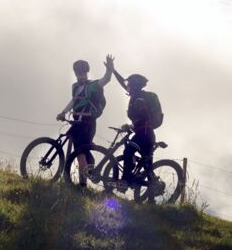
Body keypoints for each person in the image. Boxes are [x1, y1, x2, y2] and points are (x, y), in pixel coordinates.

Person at [57, 55, 114, 186]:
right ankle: (90, 167)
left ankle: (82, 185)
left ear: (87, 73)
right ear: (75, 73)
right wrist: (63, 112)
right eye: (78, 73)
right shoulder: (75, 87)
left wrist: (110, 70)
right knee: (77, 146)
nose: (81, 75)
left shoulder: (94, 85)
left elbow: (106, 80)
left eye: (83, 73)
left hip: (88, 122)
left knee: (80, 153)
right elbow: (74, 101)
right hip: (76, 121)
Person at [112, 68, 161, 187]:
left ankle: (125, 179)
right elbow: (122, 83)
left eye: (129, 85)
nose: (127, 86)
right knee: (147, 166)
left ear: (134, 86)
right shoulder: (136, 96)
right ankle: (151, 193)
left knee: (128, 150)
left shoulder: (139, 100)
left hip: (144, 135)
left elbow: (145, 118)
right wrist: (113, 70)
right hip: (146, 134)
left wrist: (130, 126)